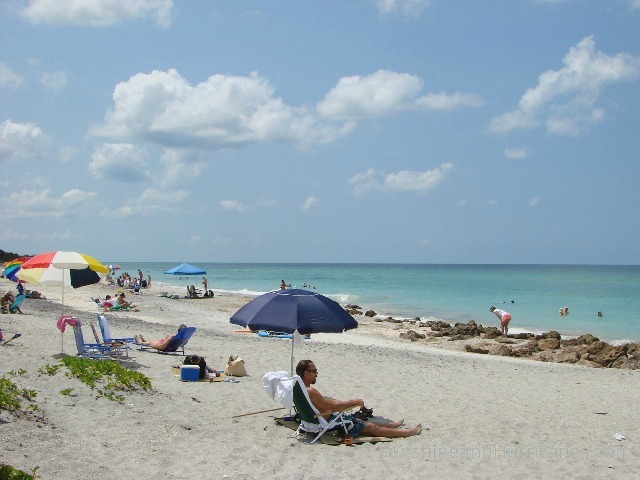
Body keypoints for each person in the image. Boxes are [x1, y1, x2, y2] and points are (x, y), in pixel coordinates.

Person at [296, 360, 422, 438]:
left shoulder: (298, 388)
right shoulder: (310, 391)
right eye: (314, 371)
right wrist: (355, 402)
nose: (316, 373)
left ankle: (392, 425)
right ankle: (409, 432)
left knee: (358, 420)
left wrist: (337, 402)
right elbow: (333, 407)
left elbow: (324, 404)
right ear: (306, 373)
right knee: (371, 428)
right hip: (330, 422)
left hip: (315, 420)